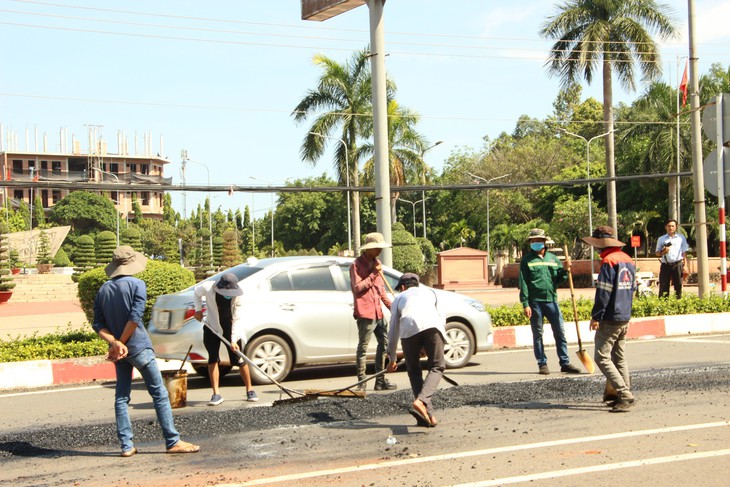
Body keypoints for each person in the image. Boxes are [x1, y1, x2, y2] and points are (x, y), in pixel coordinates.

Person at [92, 246, 200, 457]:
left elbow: (98, 324)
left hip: (120, 353)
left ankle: (126, 446)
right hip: (139, 347)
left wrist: (115, 344)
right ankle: (172, 441)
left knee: (121, 397)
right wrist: (121, 342)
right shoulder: (138, 284)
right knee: (159, 393)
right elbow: (134, 318)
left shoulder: (103, 289)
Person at [582, 226, 636, 412]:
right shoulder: (628, 260)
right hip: (624, 316)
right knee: (619, 357)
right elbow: (632, 289)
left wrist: (596, 316)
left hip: (611, 317)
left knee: (602, 357)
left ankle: (625, 394)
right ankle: (624, 392)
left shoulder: (608, 261)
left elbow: (603, 292)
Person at [518, 228, 581, 375]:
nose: (536, 243)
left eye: (538, 240)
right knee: (538, 334)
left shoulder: (553, 259)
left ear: (544, 242)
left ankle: (564, 362)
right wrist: (525, 303)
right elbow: (524, 283)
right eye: (533, 241)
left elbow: (559, 280)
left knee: (560, 332)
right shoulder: (526, 261)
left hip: (551, 301)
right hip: (535, 302)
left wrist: (565, 270)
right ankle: (542, 363)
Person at [386, 273, 445, 427]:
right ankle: (423, 405)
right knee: (437, 366)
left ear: (403, 287)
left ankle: (428, 413)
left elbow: (392, 331)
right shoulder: (431, 292)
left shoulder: (399, 298)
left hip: (408, 328)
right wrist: (431, 344)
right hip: (433, 325)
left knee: (414, 371)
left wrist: (392, 359)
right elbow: (441, 317)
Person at [194, 272, 258, 406]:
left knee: (239, 359)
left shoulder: (238, 298)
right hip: (212, 326)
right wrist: (198, 310)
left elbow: (237, 319)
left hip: (230, 328)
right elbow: (196, 292)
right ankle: (216, 394)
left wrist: (233, 340)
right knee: (212, 358)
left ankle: (250, 389)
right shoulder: (208, 287)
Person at [350, 232, 396, 391]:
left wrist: (391, 306)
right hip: (365, 312)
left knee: (384, 344)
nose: (379, 251)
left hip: (378, 311)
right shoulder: (356, 265)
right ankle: (361, 383)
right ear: (368, 249)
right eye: (377, 248)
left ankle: (380, 380)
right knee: (363, 348)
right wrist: (373, 274)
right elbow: (358, 288)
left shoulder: (377, 263)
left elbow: (381, 289)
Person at [655, 219, 689, 298]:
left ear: (676, 227)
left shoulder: (681, 238)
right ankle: (663, 305)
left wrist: (685, 266)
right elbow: (657, 253)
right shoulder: (661, 239)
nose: (671, 228)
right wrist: (663, 252)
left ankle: (678, 304)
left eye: (673, 226)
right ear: (666, 227)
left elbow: (684, 252)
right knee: (663, 286)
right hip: (665, 264)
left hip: (677, 264)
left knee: (678, 285)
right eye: (669, 226)